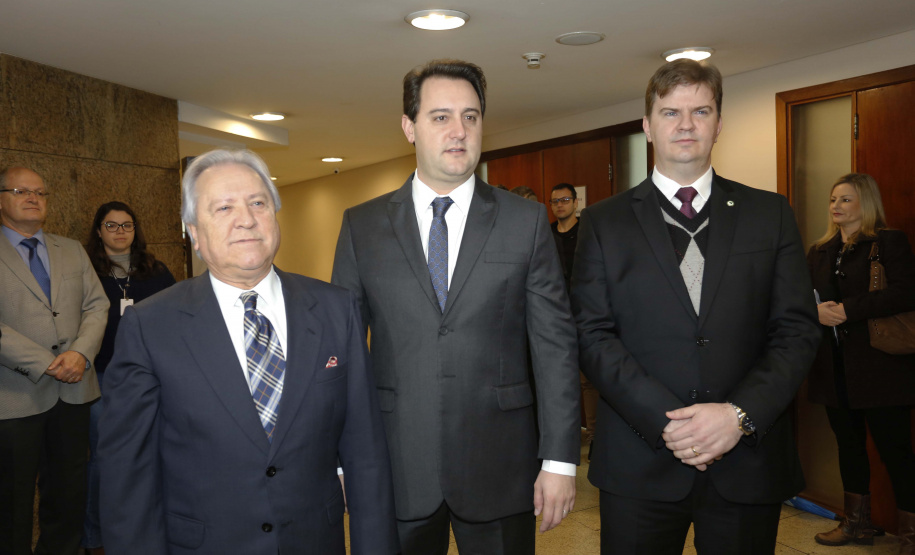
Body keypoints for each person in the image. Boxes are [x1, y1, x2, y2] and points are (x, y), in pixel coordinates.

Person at [571, 59, 820, 554]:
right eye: (670, 112)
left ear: (719, 122)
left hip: (746, 459)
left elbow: (796, 330)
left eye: (700, 110)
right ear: (647, 125)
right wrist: (668, 423)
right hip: (640, 463)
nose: (685, 125)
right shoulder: (603, 222)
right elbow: (592, 334)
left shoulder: (769, 214)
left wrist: (737, 415)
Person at [332, 59, 580, 554]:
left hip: (501, 465)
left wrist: (559, 461)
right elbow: (341, 353)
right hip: (396, 463)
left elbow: (555, 346)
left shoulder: (525, 222)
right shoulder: (363, 227)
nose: (459, 131)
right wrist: (340, 457)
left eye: (471, 116)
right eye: (441, 116)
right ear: (410, 127)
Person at [98, 149, 398, 554]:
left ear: (274, 216)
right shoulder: (151, 326)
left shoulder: (335, 309)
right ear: (194, 233)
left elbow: (366, 454)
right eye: (223, 207)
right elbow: (127, 476)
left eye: (258, 202)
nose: (246, 218)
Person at [0, 167, 108, 555]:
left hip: (75, 390)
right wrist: (46, 362)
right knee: (11, 501)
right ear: (1, 199)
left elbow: (97, 304)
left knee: (68, 493)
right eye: (20, 190)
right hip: (13, 395)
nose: (33, 198)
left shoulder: (71, 249)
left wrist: (79, 353)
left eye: (41, 193)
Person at [806, 173, 915, 554]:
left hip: (881, 369)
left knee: (895, 452)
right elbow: (803, 296)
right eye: (833, 199)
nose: (836, 206)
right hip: (833, 367)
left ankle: (911, 534)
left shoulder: (888, 242)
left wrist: (847, 311)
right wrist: (815, 311)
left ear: (865, 203)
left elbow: (904, 293)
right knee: (848, 447)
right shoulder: (819, 249)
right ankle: (856, 524)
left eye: (846, 200)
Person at [81, 201, 176, 554]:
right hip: (102, 376)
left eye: (127, 225)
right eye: (112, 225)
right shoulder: (86, 270)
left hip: (153, 376)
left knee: (155, 454)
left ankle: (149, 528)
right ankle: (96, 538)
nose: (120, 232)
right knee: (105, 461)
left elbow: (175, 318)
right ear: (98, 231)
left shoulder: (156, 270)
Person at [549, 183, 598, 458]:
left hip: (585, 313)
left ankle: (594, 438)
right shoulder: (545, 233)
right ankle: (565, 440)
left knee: (589, 380)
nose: (560, 205)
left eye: (565, 200)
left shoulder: (588, 231)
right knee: (560, 381)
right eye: (555, 201)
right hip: (555, 316)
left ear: (576, 202)